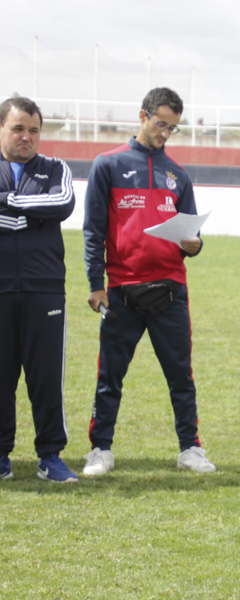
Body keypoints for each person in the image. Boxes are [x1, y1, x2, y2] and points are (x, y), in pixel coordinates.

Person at [82, 87, 215, 476]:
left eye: (173, 128)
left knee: (180, 375)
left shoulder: (179, 175)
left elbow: (192, 234)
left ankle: (190, 447)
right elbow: (92, 231)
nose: (165, 133)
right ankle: (100, 449)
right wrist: (95, 284)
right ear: (142, 116)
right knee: (110, 375)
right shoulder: (107, 164)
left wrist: (194, 245)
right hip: (122, 290)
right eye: (161, 124)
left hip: (171, 289)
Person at [0, 97, 78, 483]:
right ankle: (0, 456)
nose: (26, 137)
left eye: (33, 130)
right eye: (18, 128)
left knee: (46, 377)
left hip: (44, 290)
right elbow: (45, 207)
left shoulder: (54, 168)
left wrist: (9, 204)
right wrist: (34, 209)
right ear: (2, 128)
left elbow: (62, 203)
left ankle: (50, 455)